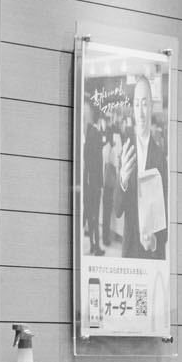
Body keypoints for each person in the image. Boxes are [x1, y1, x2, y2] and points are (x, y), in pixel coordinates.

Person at [117, 75, 169, 259]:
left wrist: (155, 241)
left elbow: (166, 216)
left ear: (152, 107)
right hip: (130, 250)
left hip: (152, 255)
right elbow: (117, 210)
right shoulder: (126, 150)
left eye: (145, 104)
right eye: (137, 104)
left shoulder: (160, 158)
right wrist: (122, 179)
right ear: (133, 106)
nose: (140, 112)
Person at [82, 103, 103, 255]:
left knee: (90, 214)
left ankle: (92, 245)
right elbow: (98, 160)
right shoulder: (96, 134)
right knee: (95, 214)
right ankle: (96, 247)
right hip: (95, 181)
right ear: (99, 119)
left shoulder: (89, 134)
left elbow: (87, 158)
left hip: (88, 180)